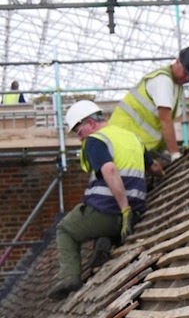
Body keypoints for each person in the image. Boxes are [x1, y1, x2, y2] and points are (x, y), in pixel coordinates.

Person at [48, 100, 162, 300]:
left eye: (78, 130)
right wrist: (165, 175)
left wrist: (124, 208)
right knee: (104, 228)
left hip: (110, 211)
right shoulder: (132, 137)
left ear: (90, 123)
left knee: (65, 229)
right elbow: (154, 168)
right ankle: (106, 241)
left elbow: (109, 170)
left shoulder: (96, 140)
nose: (79, 136)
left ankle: (69, 277)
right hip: (135, 212)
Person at [108, 45, 189, 162]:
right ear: (177, 61)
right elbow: (165, 120)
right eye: (185, 72)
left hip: (135, 148)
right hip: (123, 143)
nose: (186, 78)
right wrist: (175, 154)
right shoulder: (163, 81)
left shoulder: (176, 85)